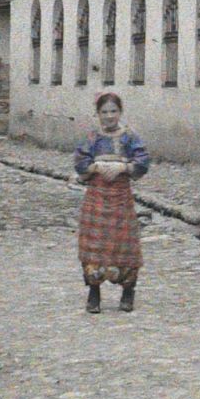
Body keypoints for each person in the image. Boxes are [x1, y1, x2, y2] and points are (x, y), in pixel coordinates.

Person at [74, 91, 151, 313]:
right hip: (97, 196)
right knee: (94, 243)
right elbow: (80, 161)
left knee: (124, 242)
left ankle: (128, 292)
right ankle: (94, 293)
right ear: (97, 114)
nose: (109, 116)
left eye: (113, 111)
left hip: (120, 196)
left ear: (120, 112)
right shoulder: (91, 138)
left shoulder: (130, 137)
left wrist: (123, 167)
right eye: (104, 112)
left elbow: (143, 160)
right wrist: (96, 167)